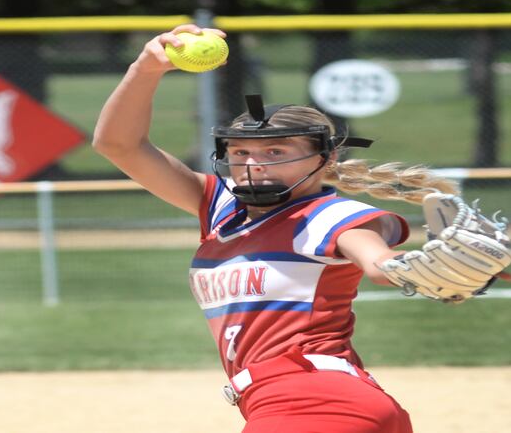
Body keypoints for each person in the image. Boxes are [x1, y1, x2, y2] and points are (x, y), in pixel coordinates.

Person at [93, 24, 461, 433]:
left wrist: (421, 267)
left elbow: (377, 262)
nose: (253, 164)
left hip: (315, 401)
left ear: (326, 158)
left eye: (275, 151)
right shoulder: (221, 208)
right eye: (240, 152)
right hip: (293, 402)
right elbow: (119, 145)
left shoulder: (329, 216)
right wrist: (146, 68)